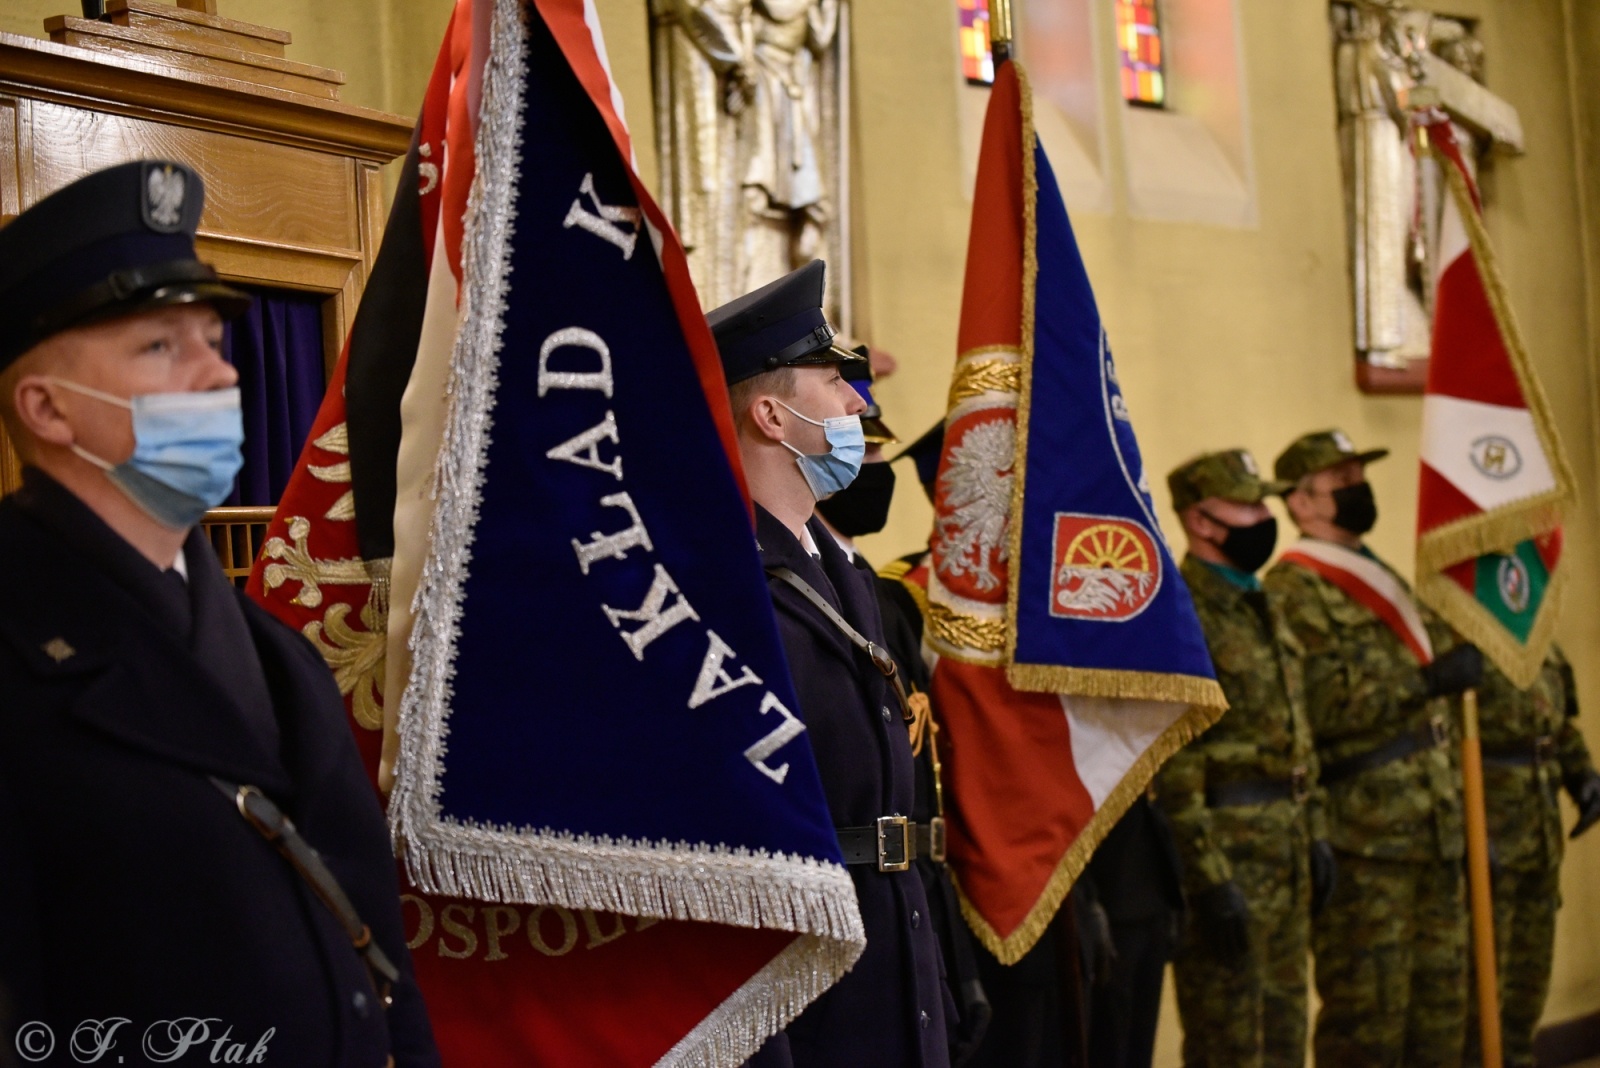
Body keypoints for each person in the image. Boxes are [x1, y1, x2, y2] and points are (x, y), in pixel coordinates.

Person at [0, 161, 438, 1067]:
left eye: (211, 338)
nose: (217, 374)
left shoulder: (275, 652)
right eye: (161, 347)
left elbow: (374, 954)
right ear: (46, 407)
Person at [709, 260, 951, 1067]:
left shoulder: (843, 572)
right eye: (834, 382)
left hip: (891, 953)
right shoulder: (723, 585)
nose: (856, 403)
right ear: (771, 415)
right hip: (809, 988)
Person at [1264, 428, 1481, 1068]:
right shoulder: (1294, 589)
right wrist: (1422, 683)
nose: (1360, 489)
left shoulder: (1381, 573)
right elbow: (1318, 705)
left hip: (1433, 825)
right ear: (1301, 503)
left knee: (1441, 1016)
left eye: (1360, 476)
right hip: (1368, 840)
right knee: (1368, 1021)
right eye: (1343, 482)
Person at [815, 359, 991, 1066]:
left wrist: (954, 963)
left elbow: (919, 795)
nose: (874, 466)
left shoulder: (872, 595)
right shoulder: (794, 592)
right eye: (863, 442)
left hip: (914, 914)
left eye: (880, 450)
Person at [1158, 449, 1334, 1068]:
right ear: (1201, 520)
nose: (1266, 516)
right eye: (1250, 504)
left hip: (1286, 853)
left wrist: (1314, 831)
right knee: (1230, 1041)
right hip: (1229, 860)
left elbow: (1296, 731)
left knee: (1286, 1036)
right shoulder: (1179, 612)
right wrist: (1210, 878)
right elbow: (1174, 763)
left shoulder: (1263, 600)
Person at [1465, 646, 1600, 1068]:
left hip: (1538, 839)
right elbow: (1438, 736)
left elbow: (1558, 724)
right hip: (1485, 836)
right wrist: (1464, 826)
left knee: (1525, 1000)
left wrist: (1581, 772)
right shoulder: (1456, 631)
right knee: (1479, 1003)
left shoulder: (1537, 633)